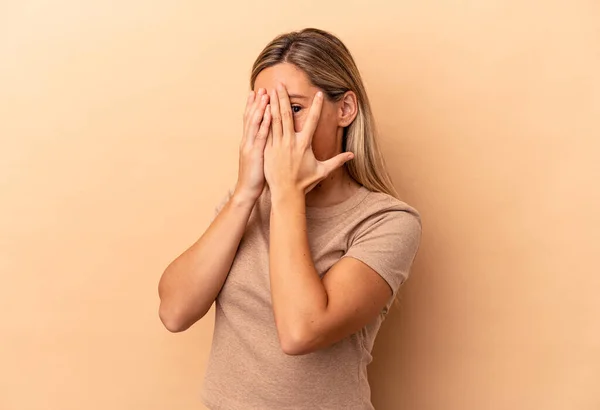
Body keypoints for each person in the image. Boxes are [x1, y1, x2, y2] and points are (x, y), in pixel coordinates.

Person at [158, 28, 422, 409]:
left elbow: (301, 331)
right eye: (266, 111)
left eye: (293, 109)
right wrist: (246, 192)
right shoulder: (248, 205)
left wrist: (286, 193)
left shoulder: (387, 222)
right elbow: (174, 311)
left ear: (345, 110)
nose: (277, 127)